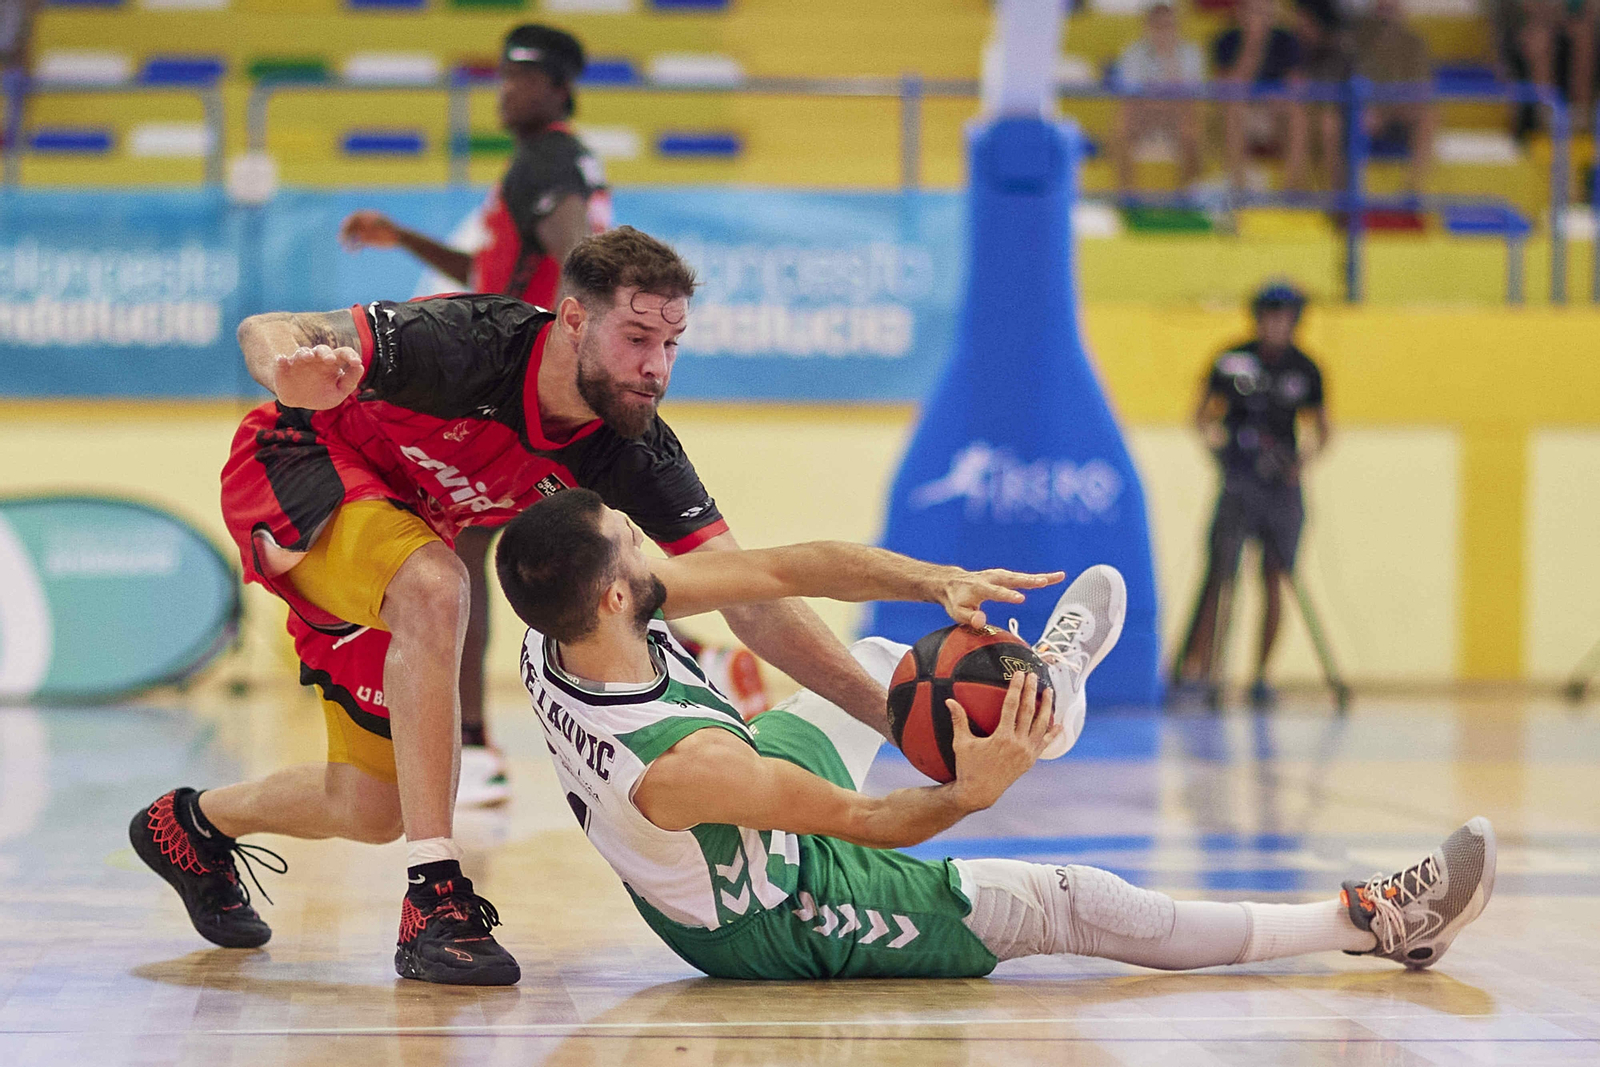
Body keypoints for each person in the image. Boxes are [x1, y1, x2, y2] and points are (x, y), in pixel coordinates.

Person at [128, 227, 898, 986]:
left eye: (670, 345)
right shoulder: (468, 342)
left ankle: (192, 824)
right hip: (298, 464)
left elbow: (752, 596)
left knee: (370, 804)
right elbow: (265, 328)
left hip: (399, 536)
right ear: (571, 319)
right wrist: (285, 371)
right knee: (439, 584)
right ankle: (434, 899)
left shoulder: (631, 445)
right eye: (635, 338)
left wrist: (891, 719)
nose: (655, 367)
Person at [495, 489, 1495, 982]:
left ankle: (1042, 699)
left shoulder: (567, 630)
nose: (648, 534)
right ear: (620, 589)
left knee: (889, 659)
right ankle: (1369, 920)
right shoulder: (691, 765)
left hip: (726, 816)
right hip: (768, 907)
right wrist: (977, 788)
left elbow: (791, 567)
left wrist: (935, 581)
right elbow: (869, 820)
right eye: (631, 534)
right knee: (1062, 900)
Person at [338, 24, 611, 808]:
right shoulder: (554, 163)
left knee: (467, 555)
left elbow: (579, 262)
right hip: (520, 378)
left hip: (513, 384)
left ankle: (473, 742)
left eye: (521, 79)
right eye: (503, 78)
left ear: (557, 88)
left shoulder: (548, 161)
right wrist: (404, 235)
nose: (505, 91)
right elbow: (496, 268)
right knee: (516, 548)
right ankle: (477, 738)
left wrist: (571, 362)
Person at [1172, 281, 1330, 709]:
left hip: (1281, 490)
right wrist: (1220, 452)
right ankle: (1198, 671)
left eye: (1285, 316)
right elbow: (1201, 416)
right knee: (1219, 575)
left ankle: (1261, 675)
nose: (1276, 324)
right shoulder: (1232, 360)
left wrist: (1299, 465)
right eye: (1269, 315)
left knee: (1276, 578)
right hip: (1239, 483)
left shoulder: (1305, 368)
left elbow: (1322, 431)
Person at [1212, 0, 1310, 191]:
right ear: (1240, 13)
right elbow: (1227, 90)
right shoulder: (1225, 41)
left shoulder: (1286, 40)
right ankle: (1239, 190)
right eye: (1254, 10)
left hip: (1275, 114)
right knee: (1234, 109)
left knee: (1298, 116)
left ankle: (1290, 192)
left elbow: (1297, 88)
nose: (1259, 17)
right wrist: (1253, 45)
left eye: (1264, 11)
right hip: (1243, 112)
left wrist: (1278, 99)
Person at [1112, 2, 1207, 194]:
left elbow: (1190, 97)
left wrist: (1170, 60)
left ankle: (1187, 197)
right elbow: (1131, 96)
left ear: (1177, 27)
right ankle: (1127, 196)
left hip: (1177, 114)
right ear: (1147, 27)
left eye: (1168, 26)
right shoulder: (1132, 53)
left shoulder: (1191, 53)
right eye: (1158, 26)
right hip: (1144, 114)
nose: (1163, 32)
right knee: (1120, 128)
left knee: (1191, 130)